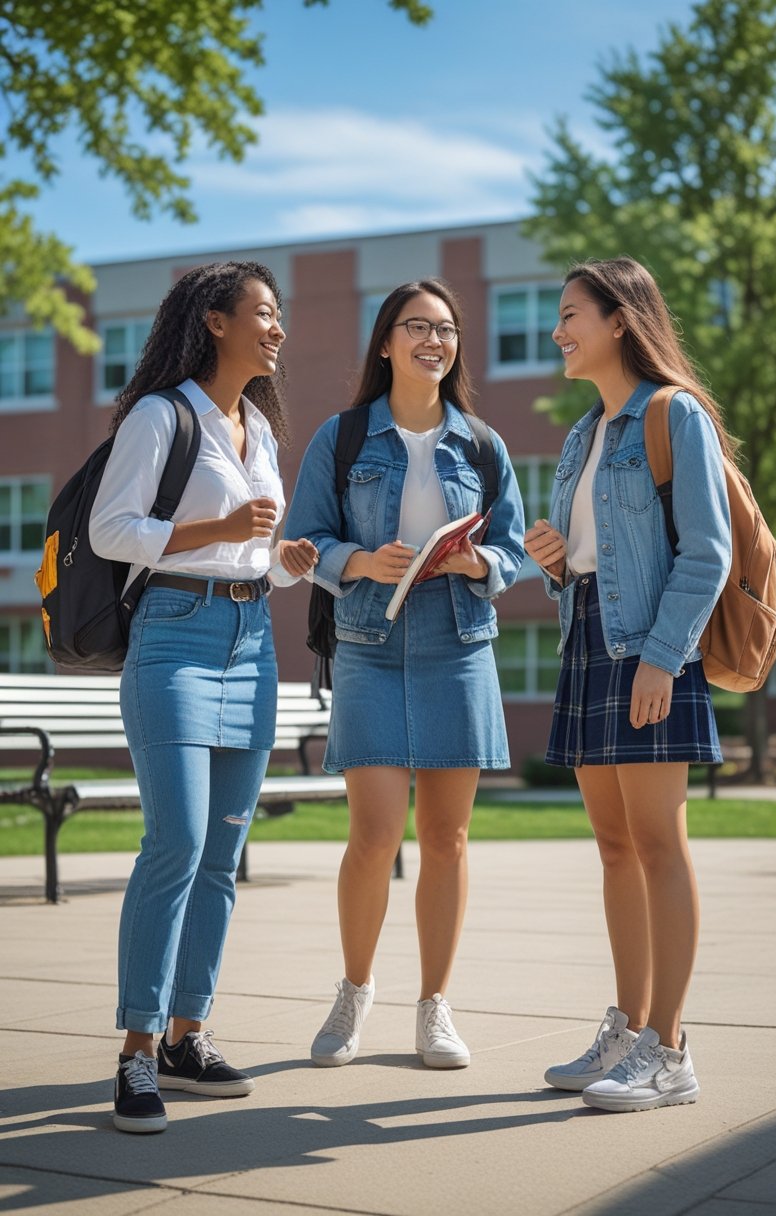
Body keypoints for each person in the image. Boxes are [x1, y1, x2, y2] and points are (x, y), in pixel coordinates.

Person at [89, 261, 318, 1133]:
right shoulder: (162, 414)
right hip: (175, 640)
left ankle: (190, 1036)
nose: (278, 329)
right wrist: (217, 531)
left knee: (222, 857)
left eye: (281, 315)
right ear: (215, 321)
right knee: (176, 843)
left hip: (251, 641)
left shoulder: (257, 427)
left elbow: (254, 554)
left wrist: (283, 561)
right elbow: (113, 529)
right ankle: (137, 1052)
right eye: (263, 313)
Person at [281, 278, 525, 1069]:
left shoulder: (480, 444)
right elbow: (306, 539)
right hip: (370, 647)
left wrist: (474, 559)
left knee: (448, 840)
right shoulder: (343, 437)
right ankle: (354, 994)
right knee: (373, 836)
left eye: (446, 329)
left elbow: (514, 549)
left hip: (458, 644)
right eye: (416, 326)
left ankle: (435, 1008)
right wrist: (361, 561)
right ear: (385, 341)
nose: (434, 339)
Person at [524, 256, 732, 1113]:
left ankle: (671, 1050)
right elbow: (595, 559)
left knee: (657, 845)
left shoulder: (672, 414)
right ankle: (630, 1027)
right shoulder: (584, 433)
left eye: (571, 313)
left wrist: (662, 654)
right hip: (589, 642)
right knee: (614, 848)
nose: (557, 330)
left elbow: (707, 551)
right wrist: (553, 560)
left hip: (649, 652)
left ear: (620, 320)